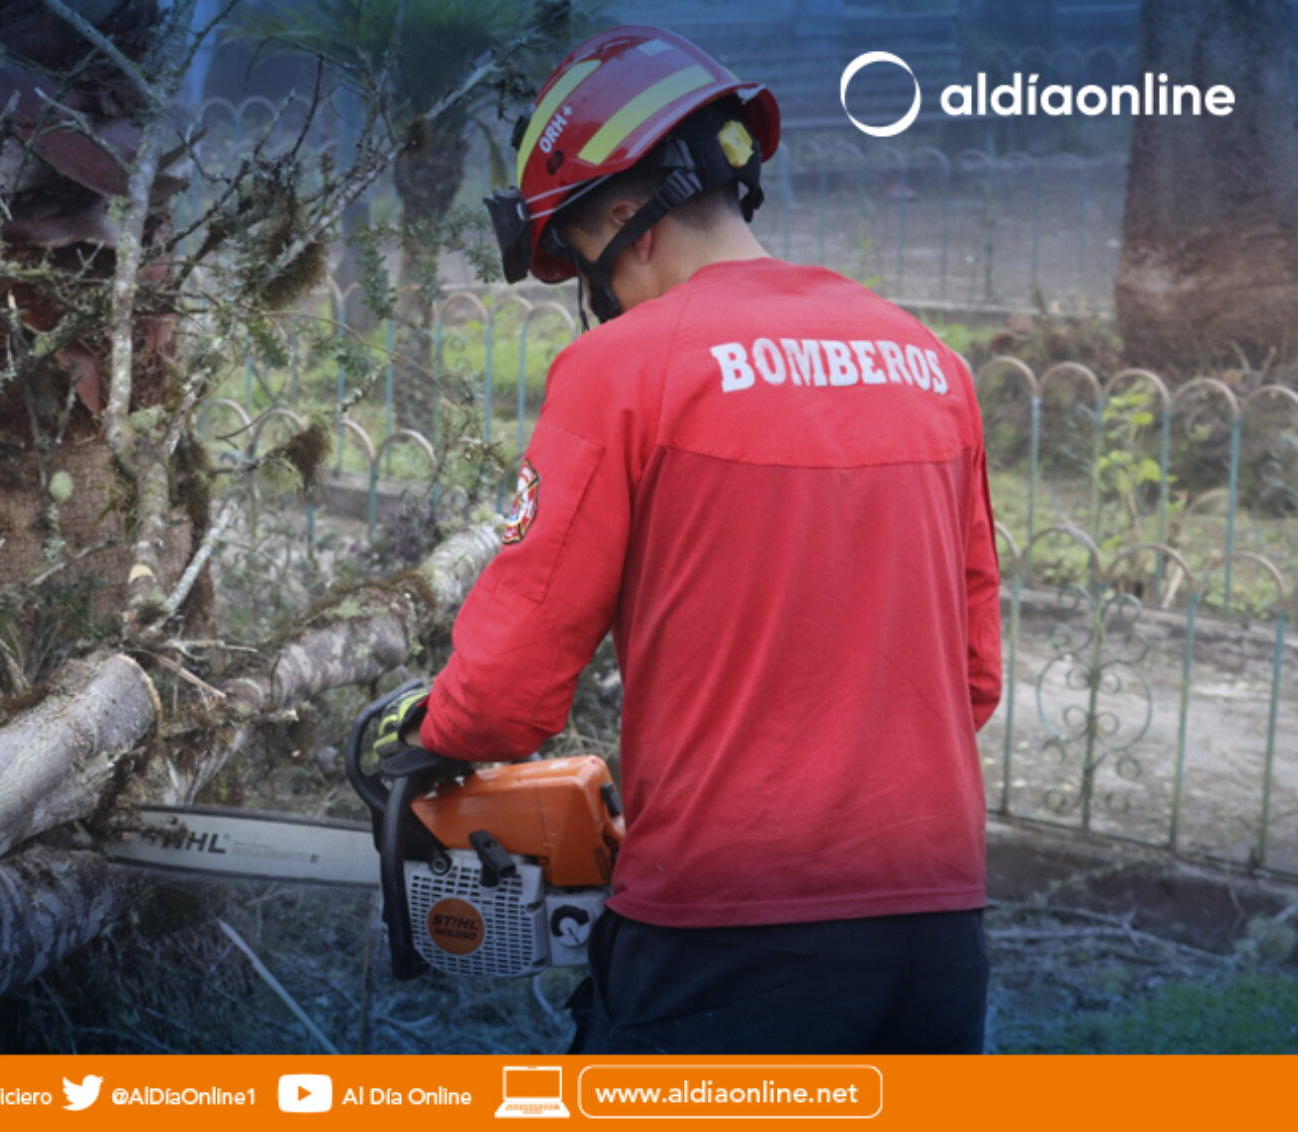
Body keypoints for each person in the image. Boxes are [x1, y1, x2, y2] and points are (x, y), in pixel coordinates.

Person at [371, 27, 1002, 1054]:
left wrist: (423, 734)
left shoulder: (624, 371)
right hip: (935, 926)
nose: (595, 296)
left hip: (725, 930)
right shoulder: (929, 362)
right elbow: (972, 678)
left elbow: (509, 687)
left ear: (625, 218)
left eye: (582, 263)